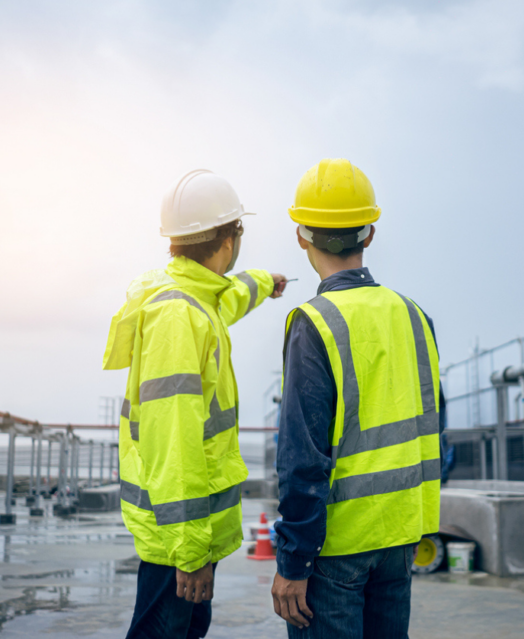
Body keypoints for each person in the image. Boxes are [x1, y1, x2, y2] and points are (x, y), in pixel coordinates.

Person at [103, 169, 289, 639]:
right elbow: (174, 441)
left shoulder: (189, 298)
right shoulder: (179, 317)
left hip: (183, 529)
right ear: (229, 239)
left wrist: (265, 282)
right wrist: (189, 554)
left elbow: (224, 300)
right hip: (178, 536)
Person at [271, 159, 446, 638]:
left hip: (335, 549)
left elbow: (302, 457)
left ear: (301, 236)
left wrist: (293, 559)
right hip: (400, 536)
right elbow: (434, 427)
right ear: (369, 234)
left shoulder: (313, 321)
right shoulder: (414, 316)